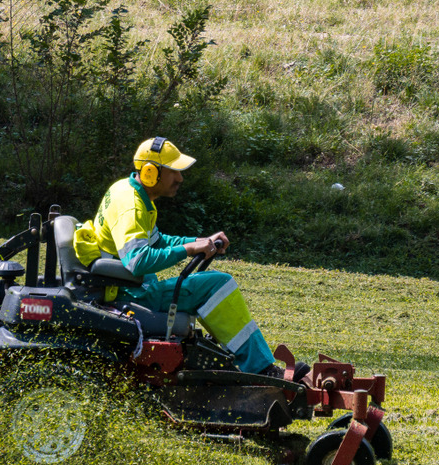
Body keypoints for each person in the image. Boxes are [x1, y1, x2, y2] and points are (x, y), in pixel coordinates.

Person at [72, 137, 286, 377]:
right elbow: (137, 261)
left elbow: (157, 241)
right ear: (151, 172)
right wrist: (189, 250)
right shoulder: (131, 207)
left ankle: (244, 363)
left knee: (211, 283)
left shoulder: (128, 191)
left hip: (131, 287)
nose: (180, 178)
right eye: (174, 171)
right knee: (218, 285)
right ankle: (263, 370)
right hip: (133, 293)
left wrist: (198, 242)